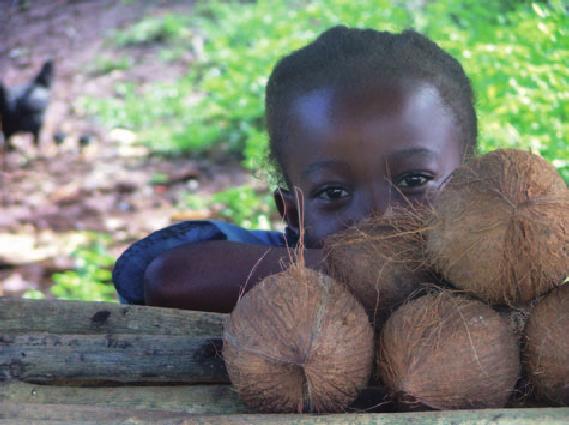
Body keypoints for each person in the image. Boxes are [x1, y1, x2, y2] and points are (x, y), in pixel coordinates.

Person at [112, 26, 477, 312]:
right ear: (293, 215)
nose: (379, 217)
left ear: (476, 185)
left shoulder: (498, 262)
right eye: (334, 193)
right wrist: (361, 273)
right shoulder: (290, 261)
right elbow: (171, 278)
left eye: (413, 180)